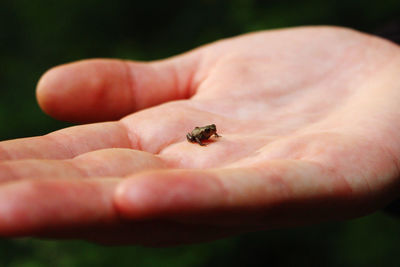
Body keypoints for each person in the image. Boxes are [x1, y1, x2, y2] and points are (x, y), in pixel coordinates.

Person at [0, 26, 399, 246]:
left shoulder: (210, 129)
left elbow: (211, 132)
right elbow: (199, 134)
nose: (211, 131)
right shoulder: (200, 132)